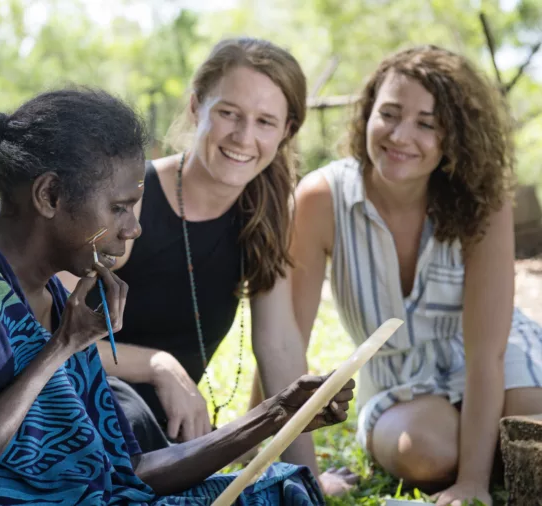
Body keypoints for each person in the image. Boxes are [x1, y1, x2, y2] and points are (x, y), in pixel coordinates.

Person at [0, 87, 354, 505]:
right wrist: (60, 349)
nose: (133, 228)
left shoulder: (52, 297)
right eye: (119, 207)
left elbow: (125, 471)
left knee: (278, 495)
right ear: (50, 196)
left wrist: (279, 412)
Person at [58, 36, 358, 497]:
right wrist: (158, 365)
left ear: (287, 131)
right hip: (87, 409)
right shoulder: (129, 199)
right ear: (197, 106)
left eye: (265, 121)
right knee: (127, 420)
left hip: (170, 438)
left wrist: (309, 481)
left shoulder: (266, 214)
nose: (243, 137)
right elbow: (40, 337)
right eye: (228, 113)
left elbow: (278, 347)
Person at [274, 45, 542, 505]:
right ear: (367, 114)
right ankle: (479, 450)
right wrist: (265, 446)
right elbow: (286, 341)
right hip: (397, 375)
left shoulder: (484, 201)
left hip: (491, 357)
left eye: (427, 123)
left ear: (455, 136)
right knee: (426, 452)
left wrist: (473, 483)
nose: (401, 136)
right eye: (390, 114)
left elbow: (487, 354)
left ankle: (485, 456)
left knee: (530, 427)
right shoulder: (323, 198)